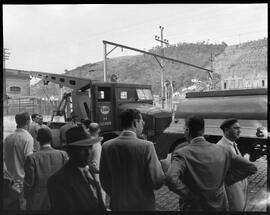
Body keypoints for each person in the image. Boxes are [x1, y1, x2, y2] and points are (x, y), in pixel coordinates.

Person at [165, 115, 257, 211]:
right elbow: (251, 167)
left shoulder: (182, 153)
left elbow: (170, 178)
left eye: (184, 129)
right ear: (203, 130)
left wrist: (189, 194)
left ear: (187, 130)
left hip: (194, 207)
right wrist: (225, 181)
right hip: (219, 206)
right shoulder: (222, 150)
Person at [100, 109, 164, 211]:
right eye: (141, 121)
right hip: (143, 205)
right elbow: (157, 181)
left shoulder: (107, 146)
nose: (143, 124)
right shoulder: (147, 146)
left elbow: (104, 179)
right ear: (135, 122)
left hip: (118, 205)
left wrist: (116, 195)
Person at [47, 126, 106, 211]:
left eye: (90, 147)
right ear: (70, 151)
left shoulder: (89, 172)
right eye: (82, 148)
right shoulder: (58, 181)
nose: (88, 152)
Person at [23, 127, 68, 210]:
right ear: (51, 139)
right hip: (59, 199)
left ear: (38, 139)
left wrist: (25, 196)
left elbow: (29, 183)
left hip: (37, 202)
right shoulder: (63, 155)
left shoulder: (32, 158)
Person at [4, 112, 34, 210]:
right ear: (28, 122)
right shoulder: (28, 138)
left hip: (9, 181)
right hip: (22, 181)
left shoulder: (8, 138)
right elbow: (29, 161)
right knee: (23, 205)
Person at [217, 118, 248, 211]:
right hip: (231, 192)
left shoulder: (234, 145)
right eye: (236, 128)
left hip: (240, 189)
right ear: (226, 130)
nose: (239, 131)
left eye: (239, 128)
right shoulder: (220, 147)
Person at [87, 122, 106, 204]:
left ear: (89, 130)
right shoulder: (96, 143)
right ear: (99, 130)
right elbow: (96, 163)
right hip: (96, 177)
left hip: (88, 173)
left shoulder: (86, 141)